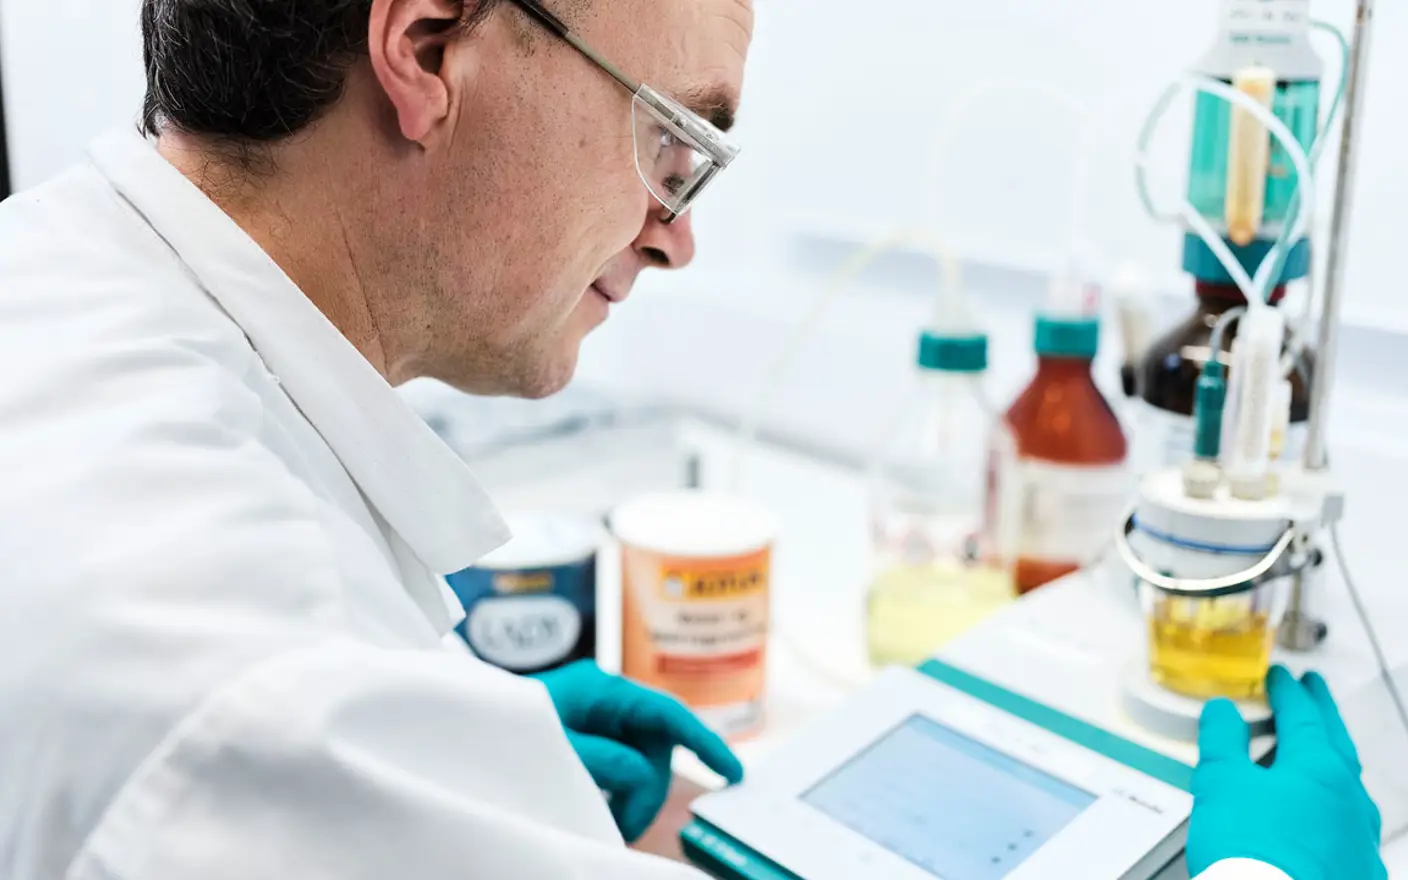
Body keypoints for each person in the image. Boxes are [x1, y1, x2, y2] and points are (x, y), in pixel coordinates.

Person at [0, 1, 1384, 878]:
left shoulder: (55, 287)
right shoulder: (281, 707)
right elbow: (271, 732)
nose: (678, 233)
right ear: (426, 51)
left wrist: (463, 752)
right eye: (674, 140)